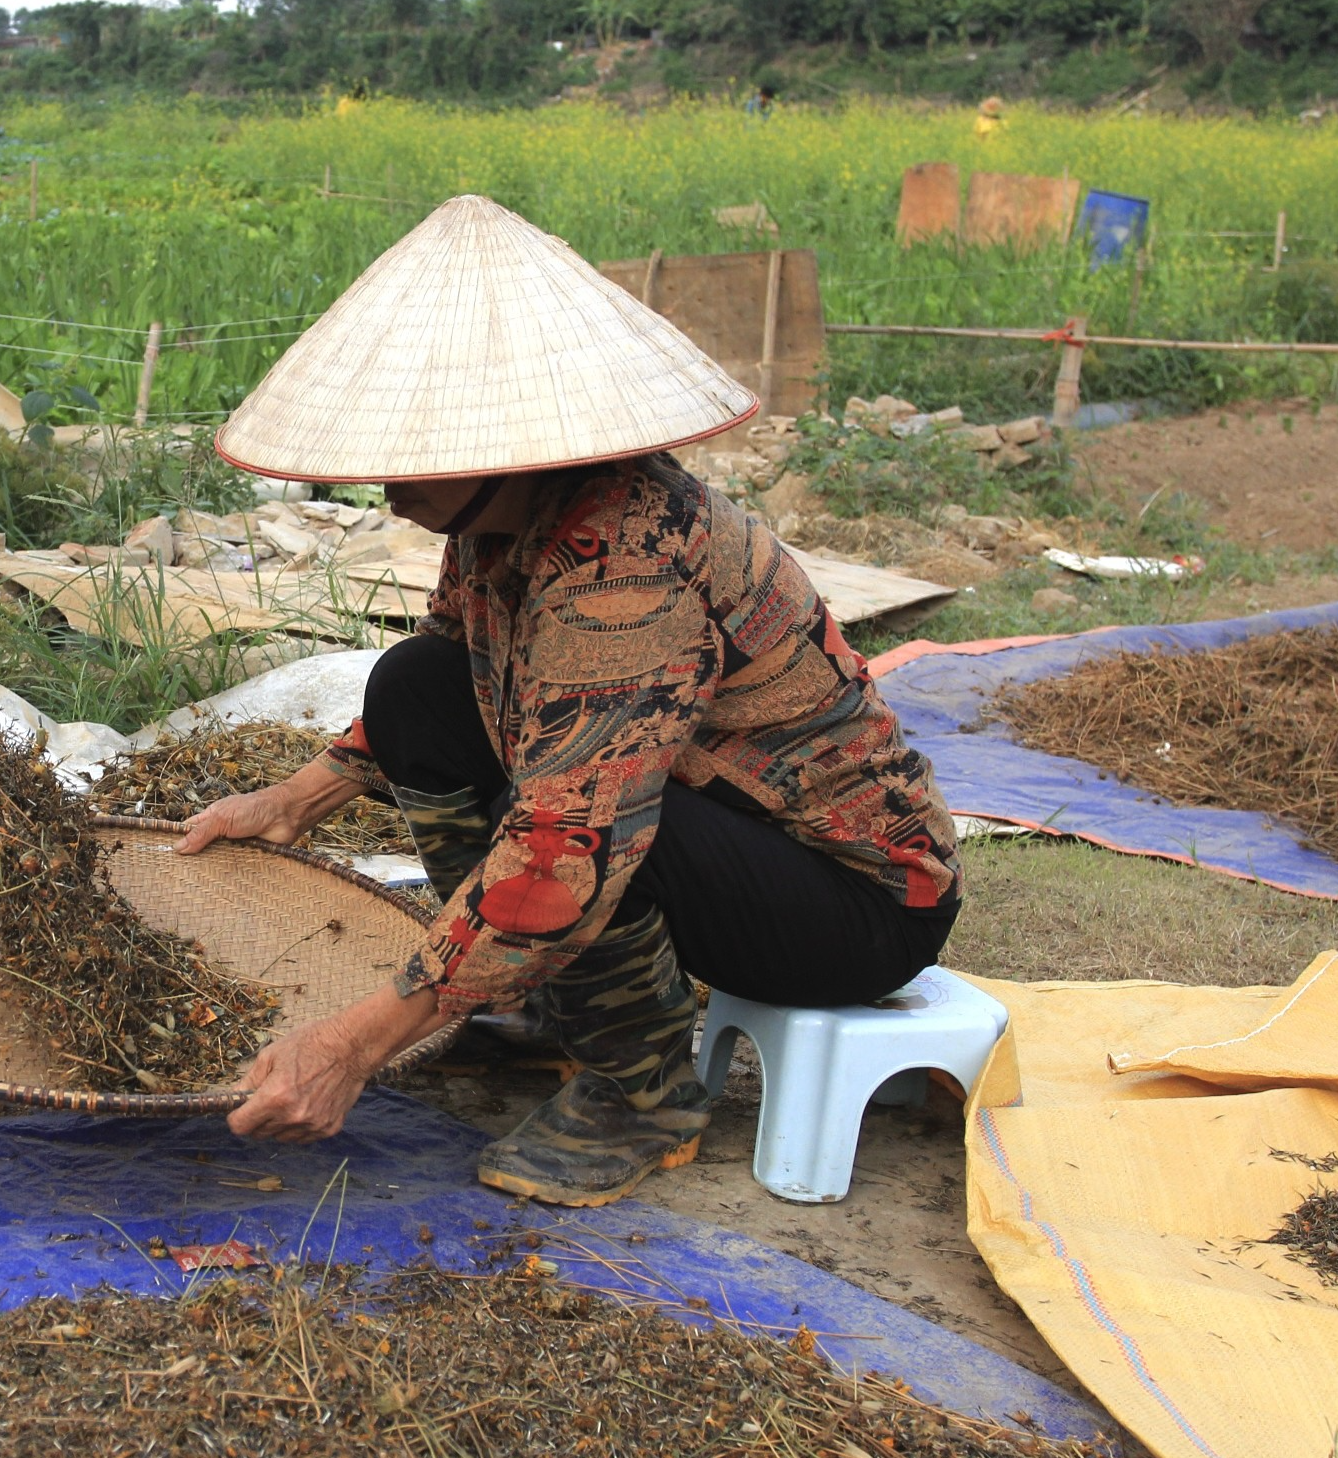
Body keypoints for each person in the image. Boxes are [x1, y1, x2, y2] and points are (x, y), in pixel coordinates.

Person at [180, 196, 962, 1208]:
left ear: (509, 450)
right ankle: (561, 999)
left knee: (580, 831)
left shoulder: (623, 573)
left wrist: (350, 1047)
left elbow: (568, 847)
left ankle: (642, 1090)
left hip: (854, 898)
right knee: (415, 684)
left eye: (408, 463)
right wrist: (289, 803)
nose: (383, 492)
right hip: (705, 826)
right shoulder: (498, 522)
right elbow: (454, 666)